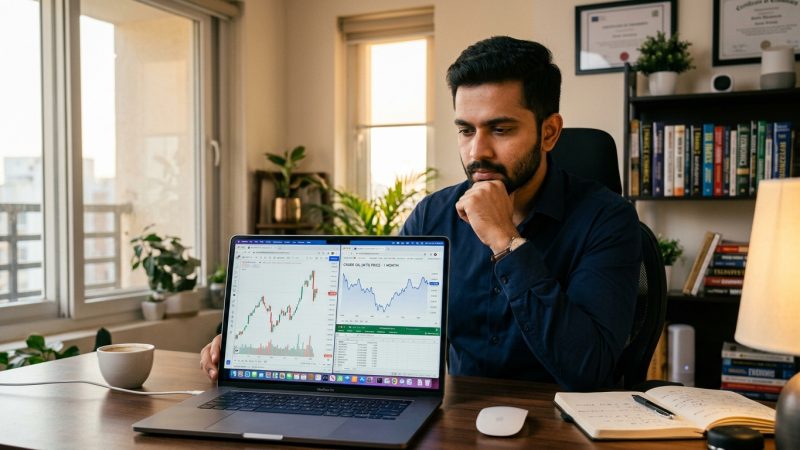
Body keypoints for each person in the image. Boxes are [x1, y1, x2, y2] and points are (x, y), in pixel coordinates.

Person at [201, 36, 641, 391]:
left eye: (501, 129)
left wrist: (506, 242)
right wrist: (254, 343)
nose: (478, 151)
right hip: (457, 421)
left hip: (565, 426)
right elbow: (370, 317)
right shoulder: (434, 214)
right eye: (465, 130)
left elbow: (590, 371)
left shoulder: (608, 220)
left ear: (549, 133)